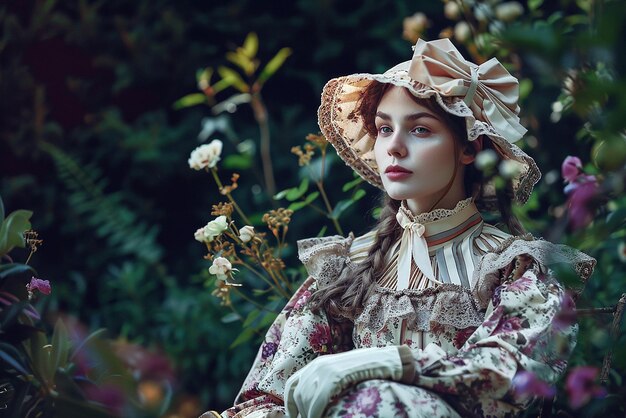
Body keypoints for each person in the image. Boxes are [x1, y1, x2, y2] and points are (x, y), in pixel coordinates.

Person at [201, 38, 596, 418]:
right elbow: (267, 396)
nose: (394, 146)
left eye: (420, 129)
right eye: (384, 128)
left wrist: (386, 364)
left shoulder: (520, 268)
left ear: (469, 148)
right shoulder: (349, 267)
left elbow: (510, 373)